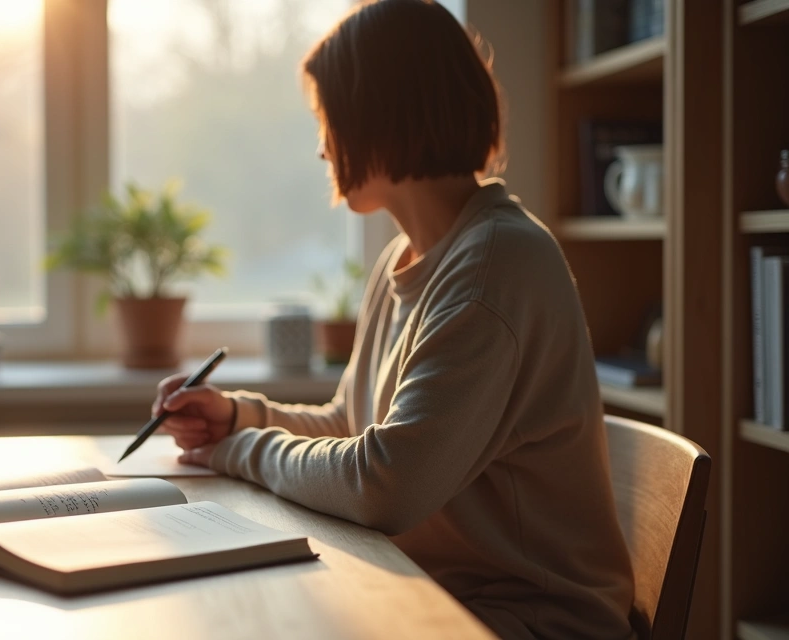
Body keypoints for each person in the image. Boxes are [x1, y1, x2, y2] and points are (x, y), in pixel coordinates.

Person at [151, 1, 636, 638]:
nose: (323, 147)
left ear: (380, 116)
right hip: (435, 593)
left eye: (329, 118)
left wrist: (237, 451)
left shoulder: (496, 268)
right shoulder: (405, 259)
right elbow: (353, 426)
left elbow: (385, 485)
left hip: (524, 619)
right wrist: (241, 415)